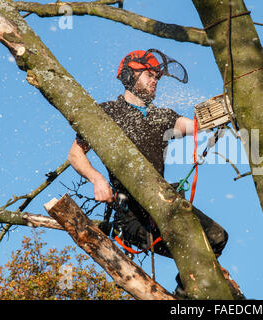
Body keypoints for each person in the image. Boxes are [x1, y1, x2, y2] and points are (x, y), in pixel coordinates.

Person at [67, 49, 229, 294]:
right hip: (133, 215)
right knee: (191, 247)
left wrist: (221, 110)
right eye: (149, 75)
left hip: (164, 203)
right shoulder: (106, 113)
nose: (154, 80)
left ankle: (184, 295)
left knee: (216, 236)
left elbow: (193, 125)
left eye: (156, 76)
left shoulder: (161, 116)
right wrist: (97, 179)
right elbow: (75, 154)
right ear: (131, 76)